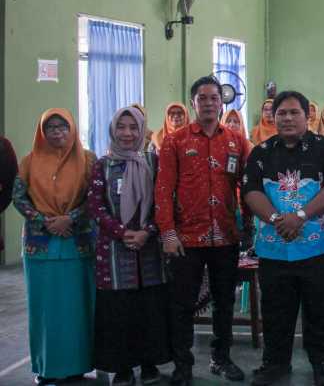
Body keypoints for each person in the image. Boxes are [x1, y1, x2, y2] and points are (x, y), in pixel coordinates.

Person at [242, 91, 324, 386]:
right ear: (274, 117)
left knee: (322, 310)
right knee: (276, 312)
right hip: (275, 248)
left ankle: (322, 364)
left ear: (307, 116)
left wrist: (300, 216)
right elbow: (251, 190)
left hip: (322, 247)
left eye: (294, 112)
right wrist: (278, 219)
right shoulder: (261, 152)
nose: (287, 118)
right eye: (282, 113)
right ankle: (275, 364)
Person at [156, 76, 250, 385]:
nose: (209, 103)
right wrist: (168, 233)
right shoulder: (175, 141)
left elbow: (247, 186)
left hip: (226, 236)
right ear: (193, 103)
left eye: (214, 98)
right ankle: (182, 365)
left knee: (225, 303)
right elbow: (163, 189)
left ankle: (221, 358)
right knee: (182, 305)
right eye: (202, 98)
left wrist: (249, 226)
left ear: (222, 103)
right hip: (186, 239)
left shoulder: (237, 141)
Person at [88, 107, 171, 386]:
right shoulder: (102, 165)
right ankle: (122, 368)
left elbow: (164, 201)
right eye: (121, 127)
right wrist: (122, 232)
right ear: (113, 130)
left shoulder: (153, 161)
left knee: (148, 309)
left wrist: (147, 232)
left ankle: (149, 365)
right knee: (118, 312)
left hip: (149, 251)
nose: (127, 133)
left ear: (142, 131)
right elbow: (95, 206)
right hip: (113, 252)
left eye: (133, 127)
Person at [13, 108, 96, 384]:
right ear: (42, 132)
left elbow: (95, 196)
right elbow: (19, 197)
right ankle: (46, 367)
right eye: (51, 127)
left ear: (72, 129)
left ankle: (78, 365)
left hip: (78, 245)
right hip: (41, 248)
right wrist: (45, 221)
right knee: (45, 310)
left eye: (63, 127)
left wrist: (69, 218)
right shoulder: (28, 162)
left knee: (77, 309)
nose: (58, 132)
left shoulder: (88, 160)